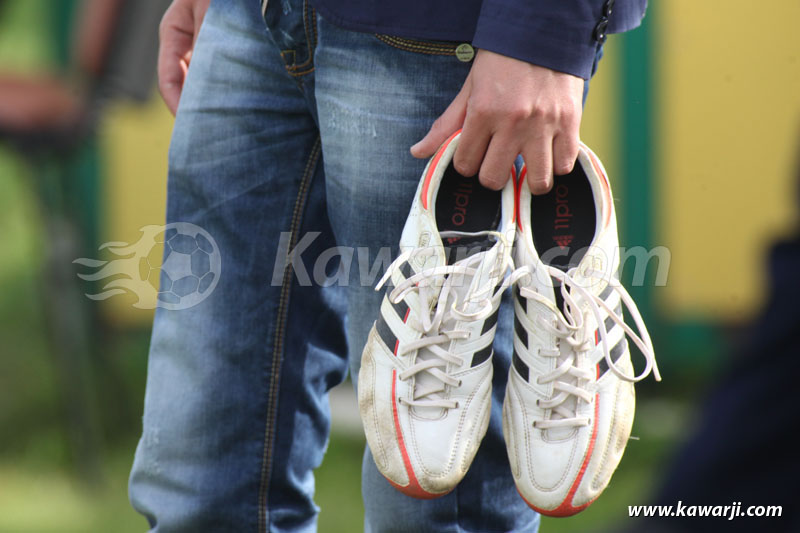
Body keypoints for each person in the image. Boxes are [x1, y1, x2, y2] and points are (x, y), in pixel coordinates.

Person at [128, 0, 646, 531]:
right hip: (247, 16)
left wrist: (544, 29)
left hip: (447, 33)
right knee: (202, 494)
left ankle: (554, 280)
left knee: (432, 503)